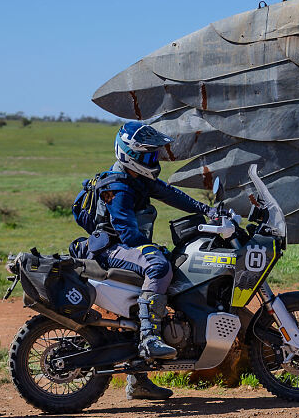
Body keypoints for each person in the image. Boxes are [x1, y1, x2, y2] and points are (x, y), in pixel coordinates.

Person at [88, 122, 214, 401]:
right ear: (129, 154)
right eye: (148, 156)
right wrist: (154, 250)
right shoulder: (117, 186)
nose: (153, 161)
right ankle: (149, 339)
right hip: (112, 249)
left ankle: (138, 381)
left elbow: (170, 193)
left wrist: (207, 210)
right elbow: (128, 234)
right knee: (158, 265)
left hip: (123, 246)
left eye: (154, 155)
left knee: (169, 264)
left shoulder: (137, 178)